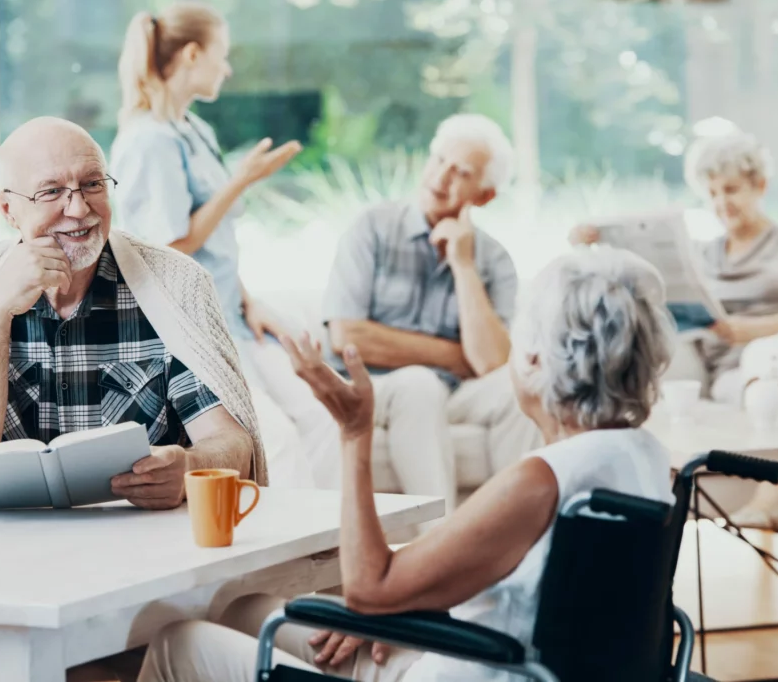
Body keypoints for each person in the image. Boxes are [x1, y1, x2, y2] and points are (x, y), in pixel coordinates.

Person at [136, 246, 677, 682]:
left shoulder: (540, 481)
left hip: (473, 668)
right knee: (246, 610)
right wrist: (399, 608)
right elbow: (519, 582)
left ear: (535, 360)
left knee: (177, 643)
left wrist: (355, 433)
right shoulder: (644, 459)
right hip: (510, 657)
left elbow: (371, 587)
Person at [0, 116, 265, 682]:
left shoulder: (172, 287)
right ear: (7, 209)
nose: (79, 209)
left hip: (137, 586)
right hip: (1, 582)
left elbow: (234, 445)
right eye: (52, 191)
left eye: (93, 184)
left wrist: (192, 468)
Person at [573, 130, 778, 588]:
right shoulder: (702, 256)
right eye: (713, 192)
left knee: (769, 358)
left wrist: (753, 332)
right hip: (742, 380)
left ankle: (773, 495)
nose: (722, 202)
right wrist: (598, 246)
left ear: (759, 185)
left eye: (732, 189)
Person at [110, 2, 332, 488]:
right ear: (192, 54)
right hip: (195, 327)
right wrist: (241, 181)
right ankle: (286, 552)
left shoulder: (193, 129)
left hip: (232, 313)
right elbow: (170, 252)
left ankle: (337, 551)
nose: (226, 68)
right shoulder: (149, 142)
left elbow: (217, 246)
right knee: (278, 444)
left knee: (322, 417)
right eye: (222, 55)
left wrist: (250, 301)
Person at [321, 113, 542, 517]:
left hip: (453, 392)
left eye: (461, 172)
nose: (441, 178)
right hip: (376, 387)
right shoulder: (372, 228)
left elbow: (492, 363)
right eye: (439, 160)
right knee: (419, 386)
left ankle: (516, 536)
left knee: (521, 385)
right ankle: (442, 546)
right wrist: (452, 355)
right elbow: (348, 337)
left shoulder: (493, 259)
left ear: (485, 195)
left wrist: (463, 266)